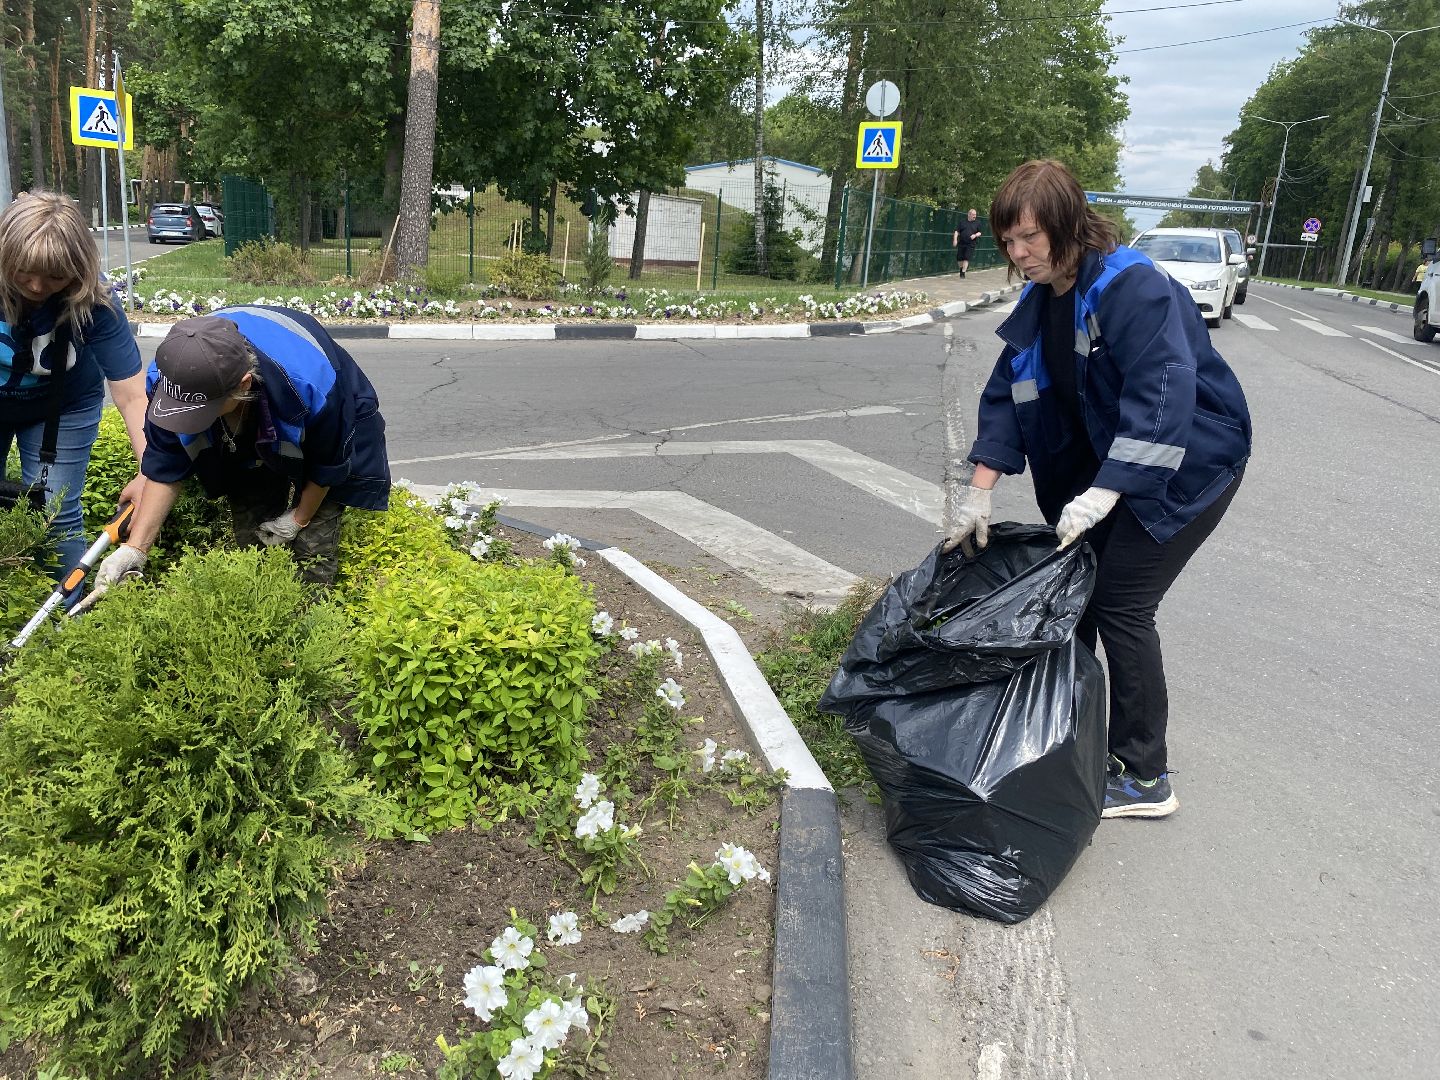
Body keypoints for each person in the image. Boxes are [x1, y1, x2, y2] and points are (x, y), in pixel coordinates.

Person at [943, 159, 1251, 819]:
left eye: (1028, 238)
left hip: (1189, 464)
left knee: (1122, 605)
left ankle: (1143, 776)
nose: (1017, 253)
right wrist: (982, 490)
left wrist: (1108, 490)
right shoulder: (1042, 300)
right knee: (1078, 598)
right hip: (1117, 470)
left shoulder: (1131, 289)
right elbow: (1009, 392)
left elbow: (1161, 392)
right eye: (1007, 241)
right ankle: (1071, 737)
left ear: (1066, 223)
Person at [89, 307, 391, 594]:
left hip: (310, 405)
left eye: (200, 411)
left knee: (313, 548)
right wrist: (135, 550)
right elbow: (166, 464)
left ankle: (310, 631)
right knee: (251, 542)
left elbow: (327, 465)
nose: (189, 422)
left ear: (243, 384)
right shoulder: (172, 376)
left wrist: (297, 519)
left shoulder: (312, 385)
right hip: (246, 407)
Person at [0, 190, 148, 582]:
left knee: (56, 513)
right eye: (23, 272)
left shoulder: (97, 303)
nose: (36, 286)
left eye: (54, 276)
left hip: (63, 408)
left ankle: (65, 616)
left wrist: (152, 471)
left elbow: (132, 395)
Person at [952, 209, 983, 277]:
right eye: (973, 215)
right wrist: (955, 240)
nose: (975, 216)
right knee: (959, 258)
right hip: (961, 242)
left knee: (966, 257)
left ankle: (963, 273)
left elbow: (980, 232)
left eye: (975, 214)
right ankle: (961, 269)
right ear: (969, 214)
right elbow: (957, 231)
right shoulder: (962, 222)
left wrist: (975, 235)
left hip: (971, 244)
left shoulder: (978, 223)